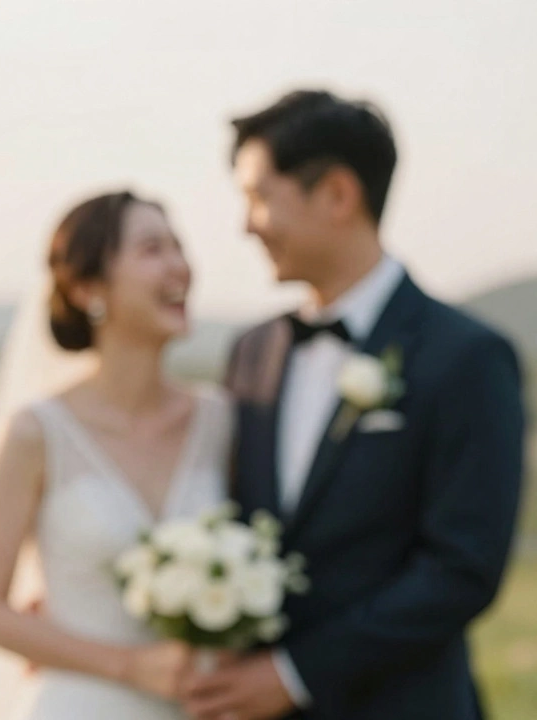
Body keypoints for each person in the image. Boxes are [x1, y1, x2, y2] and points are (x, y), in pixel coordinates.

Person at [182, 89, 526, 720]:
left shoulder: (468, 357)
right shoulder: (251, 353)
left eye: (259, 197)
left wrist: (296, 674)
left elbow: (463, 568)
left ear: (338, 194)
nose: (246, 224)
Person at [0, 191, 236, 719]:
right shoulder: (35, 433)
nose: (180, 266)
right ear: (89, 288)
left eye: (179, 246)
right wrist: (130, 667)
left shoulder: (221, 421)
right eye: (153, 249)